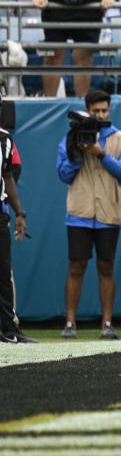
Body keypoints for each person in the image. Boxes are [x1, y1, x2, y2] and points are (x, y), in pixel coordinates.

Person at [56, 90, 121, 340]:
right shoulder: (71, 138)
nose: (100, 115)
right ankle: (70, 324)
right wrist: (78, 154)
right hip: (79, 212)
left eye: (104, 110)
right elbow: (63, 174)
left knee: (106, 267)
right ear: (87, 110)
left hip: (109, 212)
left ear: (109, 110)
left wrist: (100, 153)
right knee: (76, 266)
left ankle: (107, 324)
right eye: (96, 111)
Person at [0, 118, 31, 344]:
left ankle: (9, 329)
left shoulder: (4, 139)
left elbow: (8, 175)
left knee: (3, 273)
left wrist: (19, 212)